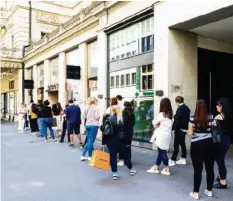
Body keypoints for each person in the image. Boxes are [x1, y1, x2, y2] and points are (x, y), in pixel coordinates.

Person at [188, 99, 214, 200]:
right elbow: (213, 130)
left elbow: (190, 133)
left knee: (198, 170)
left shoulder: (192, 118)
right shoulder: (210, 117)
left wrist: (194, 129)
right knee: (210, 169)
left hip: (196, 145)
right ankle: (209, 190)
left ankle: (196, 193)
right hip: (209, 144)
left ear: (197, 107)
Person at [102, 104, 136, 180]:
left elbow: (104, 131)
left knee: (112, 157)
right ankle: (131, 170)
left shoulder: (108, 119)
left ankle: (115, 173)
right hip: (121, 141)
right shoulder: (124, 119)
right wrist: (128, 142)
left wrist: (103, 143)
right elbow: (127, 132)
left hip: (110, 141)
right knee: (125, 155)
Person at [147, 98, 173, 176]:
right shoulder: (171, 114)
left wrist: (157, 124)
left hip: (160, 135)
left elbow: (154, 122)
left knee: (162, 152)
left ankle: (166, 168)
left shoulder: (161, 114)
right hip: (167, 135)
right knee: (161, 151)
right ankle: (156, 166)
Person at [213, 98, 233, 189]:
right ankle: (221, 177)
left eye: (219, 105)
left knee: (220, 160)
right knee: (221, 159)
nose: (217, 106)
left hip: (220, 140)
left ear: (223, 106)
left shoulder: (218, 117)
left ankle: (223, 182)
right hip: (227, 139)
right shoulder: (229, 116)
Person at [169, 96, 190, 166]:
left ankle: (173, 159)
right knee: (182, 143)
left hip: (179, 129)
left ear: (177, 102)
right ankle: (183, 158)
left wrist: (173, 127)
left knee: (176, 144)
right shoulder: (186, 108)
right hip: (184, 128)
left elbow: (177, 119)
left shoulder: (180, 109)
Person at [118, 101, 135, 167]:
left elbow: (123, 121)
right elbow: (133, 123)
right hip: (130, 131)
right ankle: (128, 159)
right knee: (128, 146)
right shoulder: (132, 112)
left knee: (121, 146)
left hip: (123, 131)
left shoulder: (124, 112)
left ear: (124, 105)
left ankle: (122, 160)